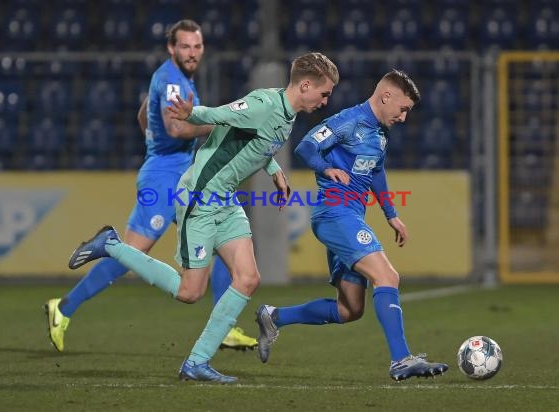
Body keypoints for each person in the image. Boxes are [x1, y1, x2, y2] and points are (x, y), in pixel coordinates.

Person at [64, 52, 339, 383]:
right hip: (199, 196)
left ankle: (196, 362)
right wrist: (190, 113)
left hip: (225, 200)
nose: (326, 101)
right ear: (306, 85)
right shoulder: (265, 103)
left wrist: (276, 171)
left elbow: (255, 143)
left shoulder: (287, 113)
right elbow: (224, 115)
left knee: (248, 279)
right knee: (189, 292)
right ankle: (111, 245)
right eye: (324, 93)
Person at [44, 19, 257, 353]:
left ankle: (224, 328)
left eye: (197, 46)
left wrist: (155, 142)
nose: (192, 53)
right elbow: (175, 128)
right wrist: (221, 124)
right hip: (164, 179)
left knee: (220, 242)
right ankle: (64, 307)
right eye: (185, 46)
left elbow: (144, 115)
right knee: (133, 252)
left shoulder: (171, 78)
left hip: (182, 175)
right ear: (172, 48)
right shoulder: (173, 81)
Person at [255, 69, 449, 381]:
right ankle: (401, 360)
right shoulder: (349, 121)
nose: (403, 118)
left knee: (350, 310)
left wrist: (391, 214)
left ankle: (274, 316)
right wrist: (326, 168)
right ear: (386, 96)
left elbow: (376, 172)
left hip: (350, 216)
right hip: (335, 213)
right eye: (403, 109)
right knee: (387, 275)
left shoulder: (380, 135)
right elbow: (306, 146)